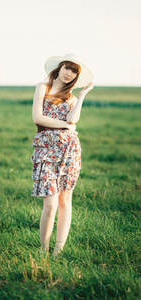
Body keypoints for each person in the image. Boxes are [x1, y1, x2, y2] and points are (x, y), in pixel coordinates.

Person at [31, 54, 94, 256]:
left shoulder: (72, 97)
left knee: (65, 200)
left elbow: (74, 119)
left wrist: (82, 96)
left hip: (69, 151)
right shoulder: (43, 87)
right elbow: (37, 118)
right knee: (50, 203)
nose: (69, 73)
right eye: (67, 68)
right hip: (46, 150)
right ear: (60, 67)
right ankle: (43, 250)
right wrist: (66, 126)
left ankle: (58, 250)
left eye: (74, 71)